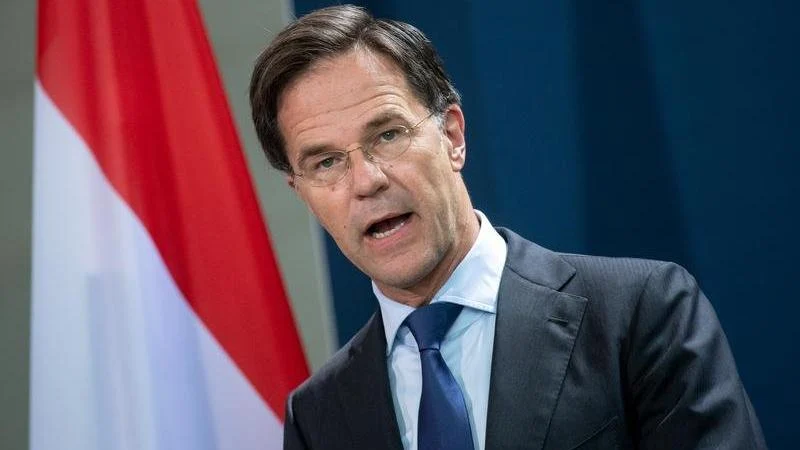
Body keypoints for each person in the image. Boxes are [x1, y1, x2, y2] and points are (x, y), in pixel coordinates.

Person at [249, 5, 766, 450]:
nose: (366, 180)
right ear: (302, 193)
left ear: (452, 136)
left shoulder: (639, 314)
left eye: (387, 134)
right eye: (325, 163)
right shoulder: (317, 416)